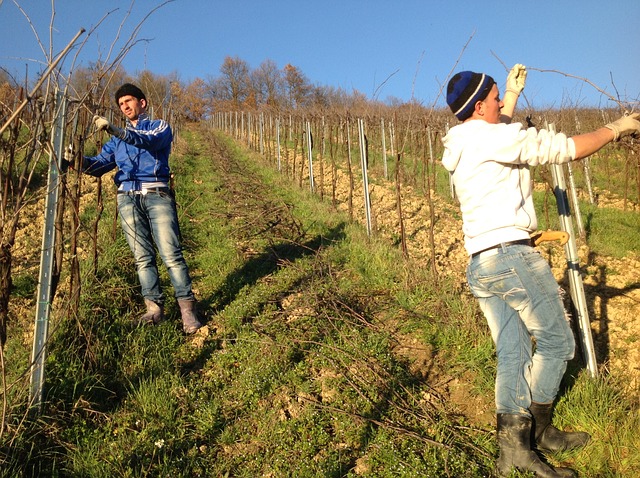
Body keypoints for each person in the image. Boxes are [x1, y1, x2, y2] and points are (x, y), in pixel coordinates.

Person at [442, 64, 640, 477]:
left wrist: (511, 95)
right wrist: (616, 128)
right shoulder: (494, 137)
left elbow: (498, 131)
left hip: (481, 263)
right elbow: (564, 148)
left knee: (513, 353)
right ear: (479, 106)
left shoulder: (462, 145)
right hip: (511, 258)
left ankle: (515, 450)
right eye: (496, 97)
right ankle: (537, 429)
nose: (502, 102)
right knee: (556, 343)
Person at [80, 83, 203, 334]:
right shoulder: (116, 142)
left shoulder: (159, 126)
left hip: (156, 194)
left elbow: (149, 142)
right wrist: (74, 161)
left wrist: (117, 131)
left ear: (142, 103)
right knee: (142, 258)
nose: (125, 107)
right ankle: (154, 309)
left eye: (128, 101)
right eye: (121, 104)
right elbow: (99, 166)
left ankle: (187, 310)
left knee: (171, 254)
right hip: (127, 198)